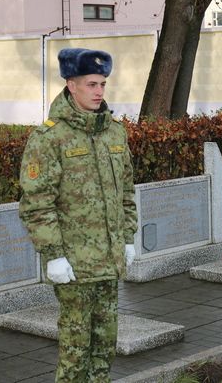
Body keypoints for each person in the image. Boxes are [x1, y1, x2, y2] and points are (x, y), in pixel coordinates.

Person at [19, 48, 137, 382]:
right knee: (75, 351)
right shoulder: (50, 137)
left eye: (102, 84)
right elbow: (36, 203)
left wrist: (128, 237)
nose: (99, 91)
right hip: (74, 264)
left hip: (109, 261)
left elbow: (126, 191)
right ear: (71, 85)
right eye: (91, 84)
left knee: (104, 347)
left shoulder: (114, 131)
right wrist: (53, 255)